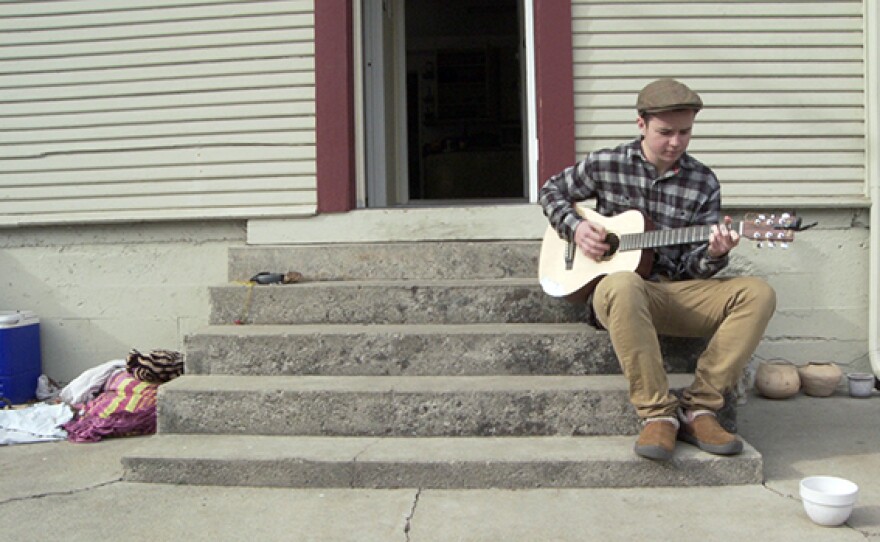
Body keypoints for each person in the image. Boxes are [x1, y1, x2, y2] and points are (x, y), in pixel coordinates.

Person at [539, 78, 776, 461]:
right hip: (618, 294)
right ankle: (658, 415)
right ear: (641, 125)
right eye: (665, 132)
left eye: (685, 132)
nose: (676, 142)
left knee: (758, 293)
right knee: (623, 283)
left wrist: (714, 253)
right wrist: (578, 228)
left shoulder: (703, 182)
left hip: (672, 292)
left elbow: (693, 268)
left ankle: (700, 408)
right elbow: (551, 191)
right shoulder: (606, 163)